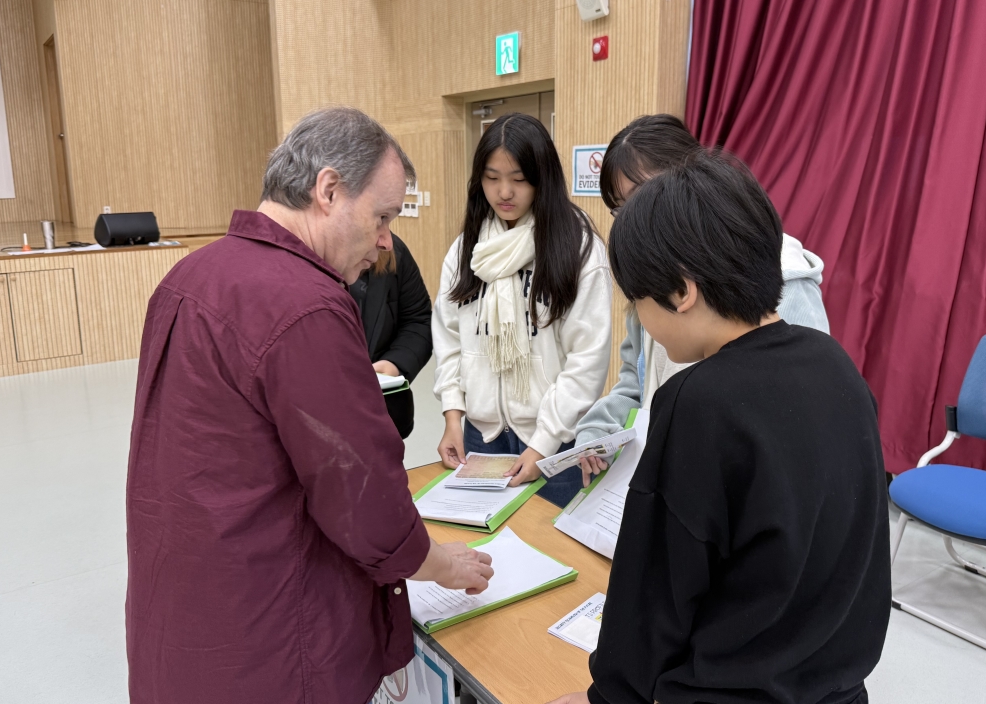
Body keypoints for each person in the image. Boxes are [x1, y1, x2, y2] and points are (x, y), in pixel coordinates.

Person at [125, 107, 494, 704]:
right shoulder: (305, 305)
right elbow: (361, 493)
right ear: (328, 192)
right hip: (280, 651)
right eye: (382, 217)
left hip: (192, 627)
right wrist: (436, 563)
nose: (386, 241)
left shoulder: (190, 277)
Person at [534, 151, 890, 704]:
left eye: (637, 301)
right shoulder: (837, 366)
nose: (640, 321)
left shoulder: (696, 401)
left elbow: (658, 582)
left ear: (680, 291)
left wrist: (610, 702)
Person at [574, 114, 830, 481]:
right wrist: (597, 431)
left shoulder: (786, 281)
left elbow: (798, 421)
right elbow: (637, 382)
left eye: (641, 196)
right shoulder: (652, 280)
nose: (632, 218)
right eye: (619, 209)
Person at [432, 113, 612, 508]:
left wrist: (544, 443)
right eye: (492, 177)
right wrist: (452, 418)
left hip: (554, 439)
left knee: (553, 555)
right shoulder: (468, 250)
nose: (504, 192)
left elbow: (587, 359)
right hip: (483, 435)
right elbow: (448, 338)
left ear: (542, 177)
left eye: (518, 178)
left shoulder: (577, 250)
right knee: (489, 555)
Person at [347, 232, 433, 438]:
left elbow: (418, 319)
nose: (387, 241)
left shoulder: (394, 252)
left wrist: (394, 364)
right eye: (380, 217)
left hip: (384, 415)